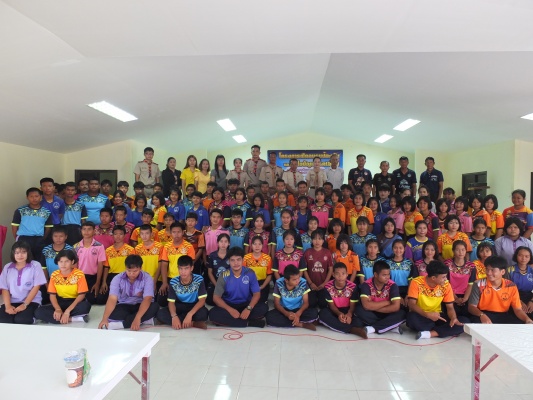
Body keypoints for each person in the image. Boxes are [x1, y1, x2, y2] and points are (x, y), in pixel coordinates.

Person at [209, 247, 268, 328]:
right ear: (229, 261)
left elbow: (256, 294)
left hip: (245, 304)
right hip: (229, 304)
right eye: (232, 260)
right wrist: (230, 310)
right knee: (213, 314)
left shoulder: (250, 273)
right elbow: (216, 298)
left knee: (264, 308)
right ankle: (249, 323)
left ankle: (233, 321)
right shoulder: (223, 275)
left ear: (243, 260)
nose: (236, 263)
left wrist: (248, 309)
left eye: (238, 259)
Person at [406, 260, 467, 339]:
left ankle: (430, 333)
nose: (445, 279)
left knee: (464, 321)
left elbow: (450, 307)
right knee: (411, 318)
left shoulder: (446, 285)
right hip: (421, 315)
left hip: (438, 316)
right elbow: (411, 304)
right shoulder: (416, 282)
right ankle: (444, 331)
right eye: (443, 277)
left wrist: (453, 318)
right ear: (433, 278)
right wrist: (427, 315)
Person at [98, 254, 159, 330]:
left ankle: (123, 324)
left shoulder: (147, 278)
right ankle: (144, 320)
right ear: (125, 268)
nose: (131, 274)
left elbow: (147, 298)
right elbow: (112, 299)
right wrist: (104, 319)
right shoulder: (117, 278)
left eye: (135, 271)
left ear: (140, 268)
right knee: (111, 316)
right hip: (125, 304)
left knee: (155, 307)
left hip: (141, 304)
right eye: (129, 271)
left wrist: (137, 318)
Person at [468, 255, 533, 324]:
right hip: (482, 313)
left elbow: (518, 309)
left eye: (492, 270)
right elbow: (471, 307)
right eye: (487, 269)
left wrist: (527, 319)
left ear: (502, 272)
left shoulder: (511, 286)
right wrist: (481, 315)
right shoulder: (479, 284)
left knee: (520, 324)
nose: (489, 273)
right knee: (477, 324)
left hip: (503, 315)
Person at [35, 249, 91, 324]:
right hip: (60, 302)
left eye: (66, 261)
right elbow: (52, 295)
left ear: (72, 262)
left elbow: (82, 295)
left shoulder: (79, 274)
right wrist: (58, 309)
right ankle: (73, 319)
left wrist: (68, 311)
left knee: (85, 306)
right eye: (60, 261)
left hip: (75, 301)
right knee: (38, 312)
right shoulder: (54, 275)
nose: (63, 264)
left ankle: (61, 318)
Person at [0, 241, 47, 324]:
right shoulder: (7, 267)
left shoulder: (35, 265)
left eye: (23, 252)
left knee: (22, 320)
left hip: (31, 301)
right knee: (4, 320)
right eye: (17, 253)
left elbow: (36, 286)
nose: (20, 255)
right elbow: (4, 288)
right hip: (12, 301)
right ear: (13, 254)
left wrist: (25, 304)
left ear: (28, 253)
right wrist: (8, 306)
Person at [156, 255, 208, 329]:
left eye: (186, 268)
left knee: (203, 314)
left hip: (193, 305)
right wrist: (174, 316)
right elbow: (171, 302)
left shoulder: (199, 279)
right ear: (178, 268)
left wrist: (189, 314)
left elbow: (202, 300)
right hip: (179, 305)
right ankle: (192, 323)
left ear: (191, 268)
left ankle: (183, 321)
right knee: (160, 314)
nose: (183, 272)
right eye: (181, 268)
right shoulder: (173, 281)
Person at [356, 260, 406, 335]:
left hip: (387, 312)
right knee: (358, 310)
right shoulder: (366, 285)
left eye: (388, 274)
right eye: (384, 275)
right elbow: (366, 306)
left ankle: (374, 328)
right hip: (372, 313)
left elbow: (396, 307)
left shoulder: (393, 285)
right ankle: (389, 326)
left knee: (402, 314)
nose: (387, 277)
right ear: (376, 274)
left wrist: (372, 306)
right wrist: (388, 302)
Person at [318, 262, 367, 338]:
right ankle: (351, 329)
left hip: (348, 309)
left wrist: (349, 315)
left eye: (343, 274)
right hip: (335, 310)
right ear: (333, 274)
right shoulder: (327, 287)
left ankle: (340, 325)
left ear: (347, 274)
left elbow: (352, 306)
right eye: (337, 274)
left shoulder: (353, 286)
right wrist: (339, 314)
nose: (340, 276)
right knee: (323, 314)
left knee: (359, 321)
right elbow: (331, 306)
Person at [266, 264, 318, 330]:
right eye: (294, 279)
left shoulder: (303, 282)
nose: (297, 281)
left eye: (298, 278)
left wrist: (298, 314)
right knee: (269, 317)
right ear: (286, 280)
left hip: (298, 309)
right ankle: (300, 324)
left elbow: (306, 303)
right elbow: (277, 304)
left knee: (314, 313)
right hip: (285, 309)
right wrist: (287, 314)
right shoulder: (279, 283)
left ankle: (292, 321)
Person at [11, 187, 53, 259]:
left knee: (39, 260)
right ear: (27, 197)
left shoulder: (46, 212)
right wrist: (18, 238)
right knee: (24, 260)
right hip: (24, 239)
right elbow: (14, 226)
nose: (34, 198)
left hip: (39, 239)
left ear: (41, 197)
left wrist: (42, 238)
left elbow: (48, 228)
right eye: (31, 196)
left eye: (36, 196)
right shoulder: (20, 210)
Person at [73, 221, 107, 305]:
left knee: (97, 299)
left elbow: (100, 265)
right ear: (81, 231)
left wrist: (97, 283)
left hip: (94, 277)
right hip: (81, 277)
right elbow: (75, 265)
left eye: (89, 229)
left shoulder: (99, 246)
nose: (86, 232)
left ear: (94, 231)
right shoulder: (76, 246)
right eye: (84, 229)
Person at [444, 240, 475, 320]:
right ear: (453, 251)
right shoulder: (447, 264)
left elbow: (470, 284)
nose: (460, 252)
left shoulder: (471, 266)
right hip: (449, 294)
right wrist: (455, 298)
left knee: (467, 313)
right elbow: (446, 283)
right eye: (457, 250)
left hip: (465, 295)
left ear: (466, 251)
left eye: (463, 250)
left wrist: (465, 299)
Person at [303, 230, 333, 308]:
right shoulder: (307, 252)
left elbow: (330, 269)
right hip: (311, 285)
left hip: (323, 285)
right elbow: (304, 270)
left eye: (319, 239)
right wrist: (310, 283)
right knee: (311, 304)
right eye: (315, 239)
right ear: (311, 240)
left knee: (323, 304)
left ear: (323, 240)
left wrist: (325, 283)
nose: (317, 241)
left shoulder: (327, 252)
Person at [243, 236, 273, 304]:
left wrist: (263, 286)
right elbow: (243, 274)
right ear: (251, 245)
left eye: (259, 244)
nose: (257, 246)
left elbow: (269, 275)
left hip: (263, 283)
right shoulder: (246, 258)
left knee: (261, 304)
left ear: (262, 245)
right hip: (249, 283)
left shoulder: (267, 258)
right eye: (255, 244)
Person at [507, 246, 533, 317]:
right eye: (520, 255)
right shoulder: (509, 270)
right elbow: (507, 289)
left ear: (530, 257)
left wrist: (531, 301)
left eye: (527, 256)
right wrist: (519, 301)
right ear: (516, 256)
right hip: (513, 297)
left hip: (529, 297)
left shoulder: (532, 270)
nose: (523, 258)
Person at [205, 233, 230, 306]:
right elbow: (210, 272)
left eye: (226, 241)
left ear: (229, 243)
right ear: (217, 243)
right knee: (210, 300)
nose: (223, 244)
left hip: (228, 283)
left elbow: (234, 271)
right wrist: (217, 285)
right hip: (215, 282)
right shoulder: (212, 255)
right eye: (221, 241)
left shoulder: (231, 255)